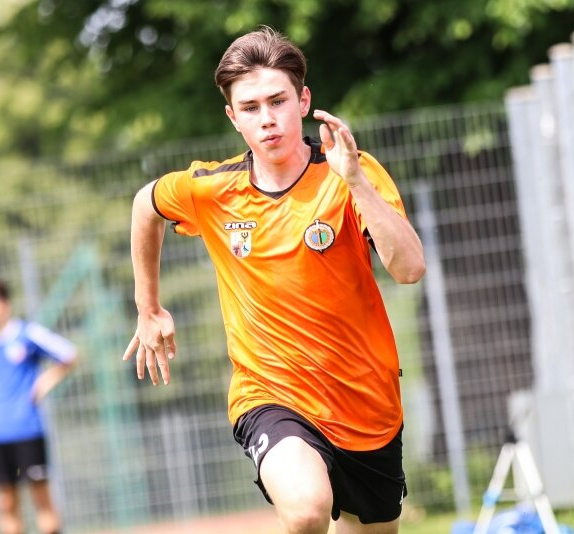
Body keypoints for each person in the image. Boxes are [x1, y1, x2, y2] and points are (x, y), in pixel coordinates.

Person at [124, 26, 426, 534]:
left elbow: (409, 269)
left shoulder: (351, 173)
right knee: (306, 509)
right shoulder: (213, 189)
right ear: (233, 117)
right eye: (250, 107)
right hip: (269, 392)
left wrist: (355, 181)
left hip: (366, 403)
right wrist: (148, 307)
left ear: (303, 101)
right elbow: (145, 205)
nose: (267, 118)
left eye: (277, 101)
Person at [0, 279, 77, 534]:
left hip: (27, 429)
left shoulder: (27, 334)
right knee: (6, 502)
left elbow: (69, 355)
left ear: (1, 305)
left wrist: (42, 384)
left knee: (40, 497)